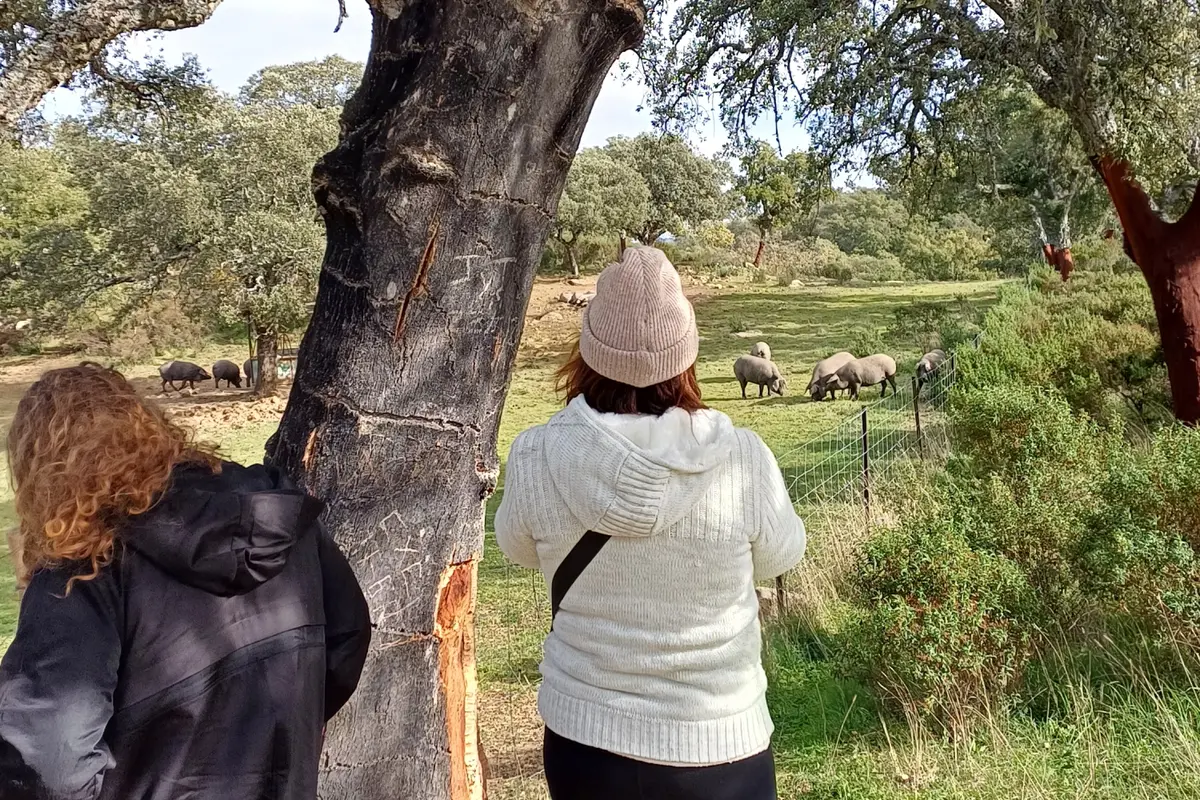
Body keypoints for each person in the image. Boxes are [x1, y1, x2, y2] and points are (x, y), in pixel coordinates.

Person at [495, 246, 807, 800]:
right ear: (685, 357)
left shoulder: (536, 455)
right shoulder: (742, 458)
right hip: (718, 746)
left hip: (584, 739)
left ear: (587, 353)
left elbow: (519, 546)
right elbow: (782, 554)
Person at [0, 363, 372, 799]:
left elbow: (48, 759)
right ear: (146, 424)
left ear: (42, 468)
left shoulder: (84, 561)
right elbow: (348, 638)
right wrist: (280, 739)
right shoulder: (279, 516)